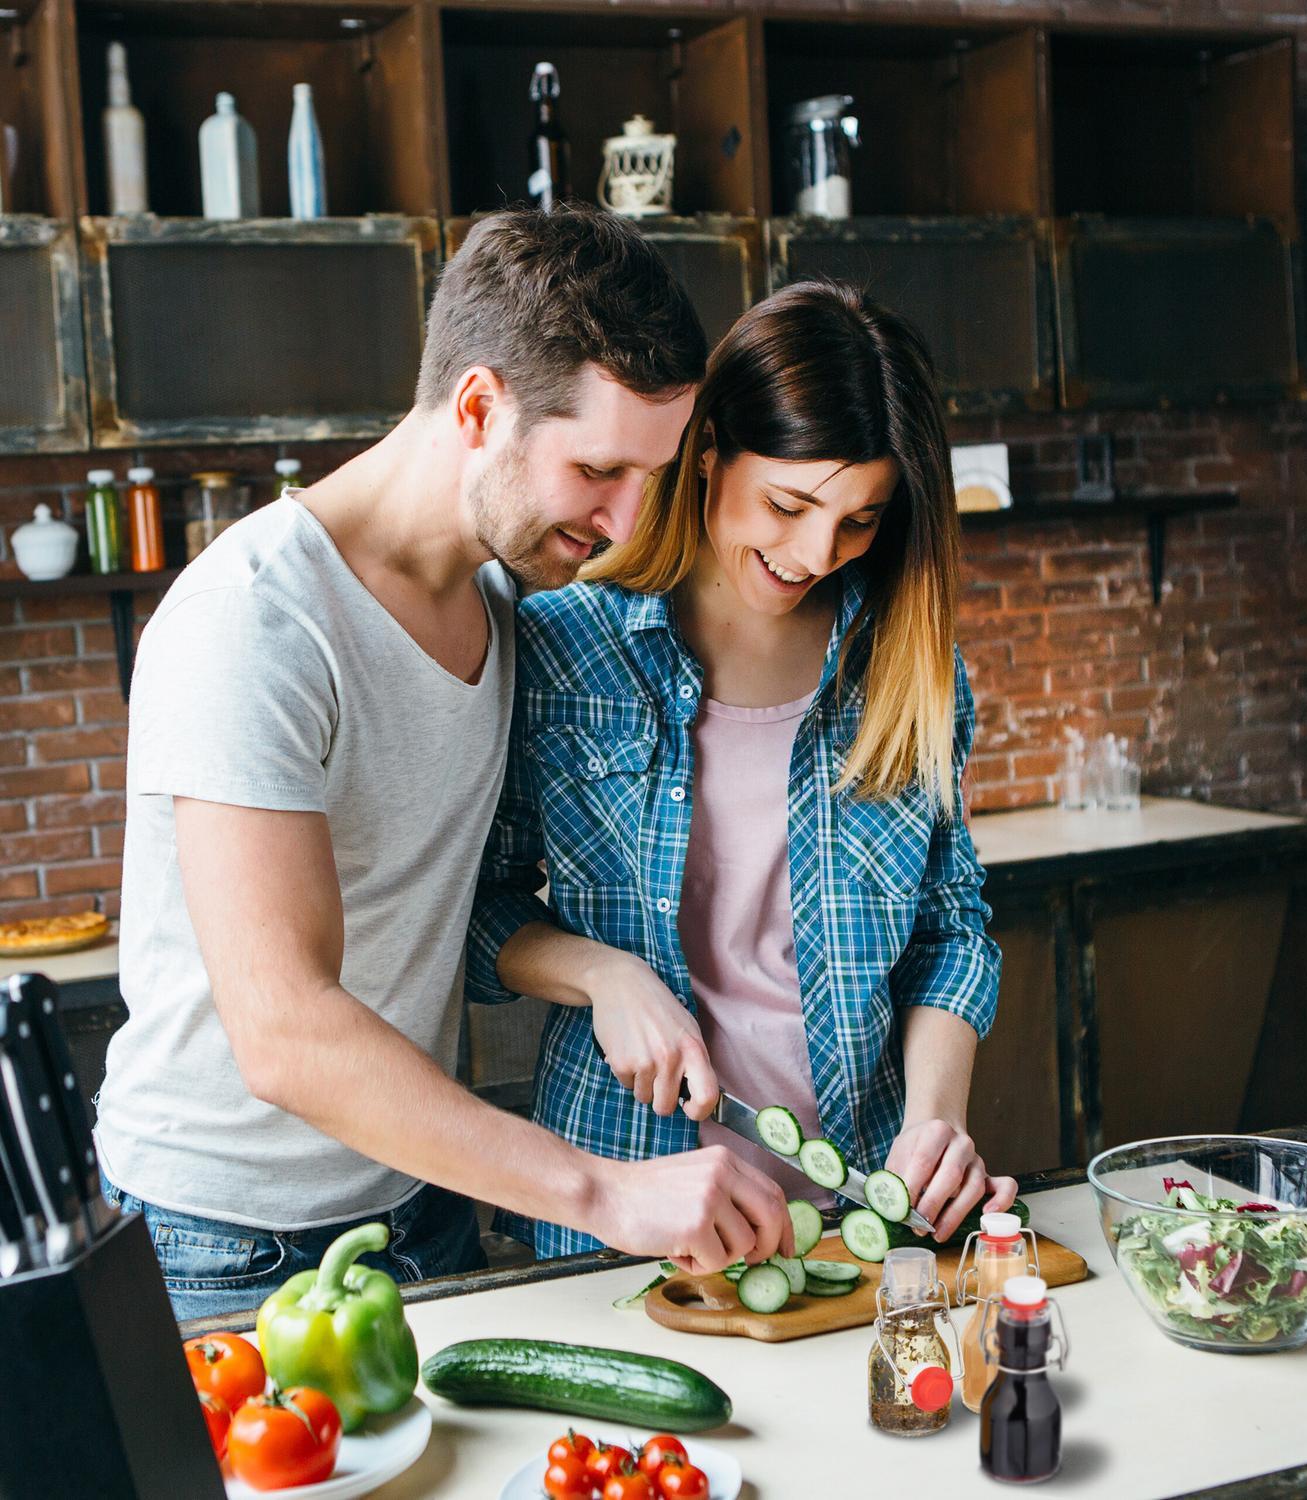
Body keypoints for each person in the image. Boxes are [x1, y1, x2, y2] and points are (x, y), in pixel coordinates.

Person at [92, 206, 794, 1323]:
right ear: (477, 408)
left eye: (648, 476)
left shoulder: (506, 598)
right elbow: (284, 1032)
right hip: (223, 1243)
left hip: (422, 1203)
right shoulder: (256, 620)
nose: (624, 522)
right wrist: (604, 1192)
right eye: (598, 469)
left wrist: (605, 970)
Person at [468, 280, 1013, 1260]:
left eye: (859, 520)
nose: (815, 553)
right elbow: (479, 910)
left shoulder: (909, 672)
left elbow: (950, 928)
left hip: (860, 1209)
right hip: (626, 1202)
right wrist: (601, 974)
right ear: (708, 448)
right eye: (788, 505)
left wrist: (937, 1121)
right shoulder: (563, 647)